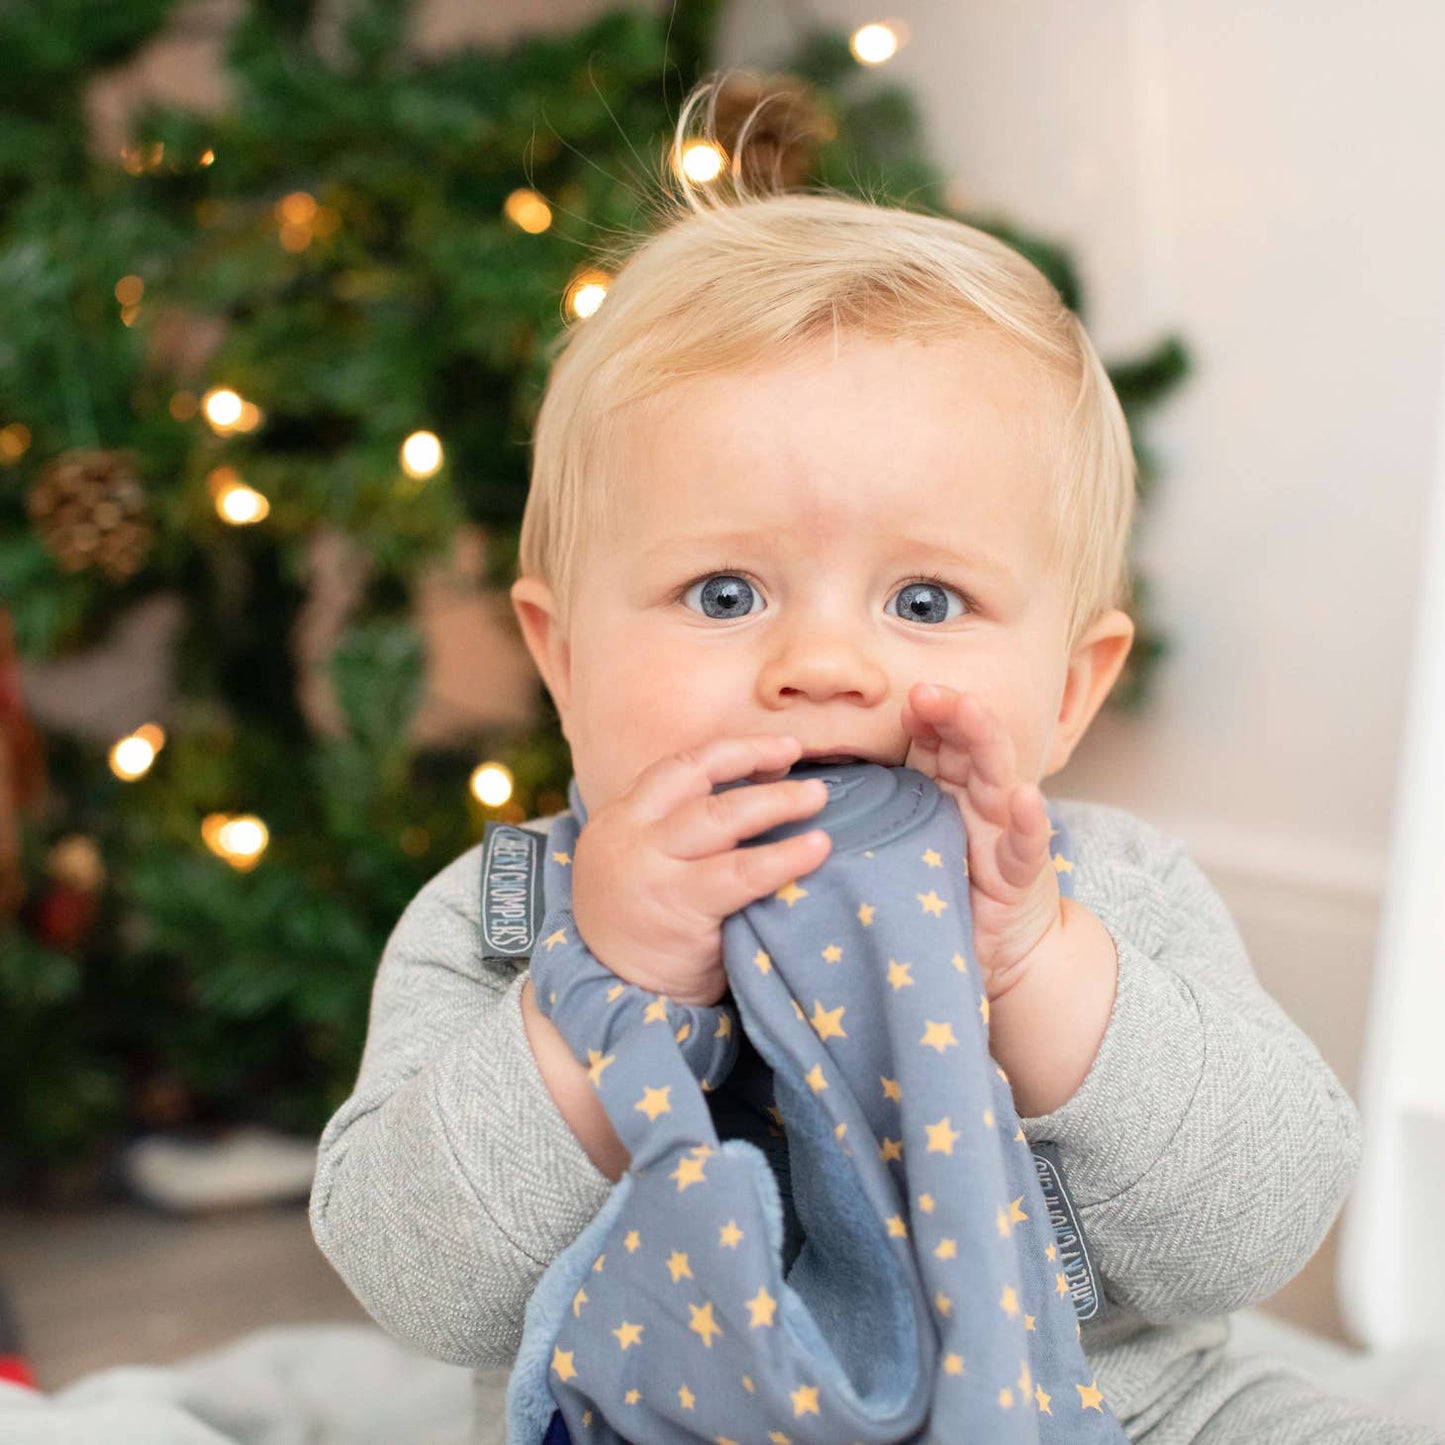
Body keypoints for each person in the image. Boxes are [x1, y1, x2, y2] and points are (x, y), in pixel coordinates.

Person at [310, 96, 1437, 1444]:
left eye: (924, 601)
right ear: (562, 662)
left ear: (1069, 691)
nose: (824, 664)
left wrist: (1037, 969)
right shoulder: (507, 920)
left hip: (1107, 1407)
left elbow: (1249, 1234)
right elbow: (421, 1282)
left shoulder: (1111, 895)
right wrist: (592, 998)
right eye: (722, 593)